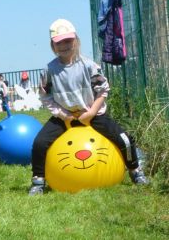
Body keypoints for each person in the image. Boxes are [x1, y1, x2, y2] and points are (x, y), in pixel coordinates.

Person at [29, 19, 149, 195]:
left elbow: (103, 90)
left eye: (68, 41)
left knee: (124, 139)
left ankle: (135, 171)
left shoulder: (89, 65)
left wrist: (92, 112)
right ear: (53, 46)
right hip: (64, 117)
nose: (64, 46)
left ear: (76, 41)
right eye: (59, 43)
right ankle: (38, 181)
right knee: (39, 143)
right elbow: (45, 96)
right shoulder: (49, 70)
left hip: (93, 115)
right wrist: (63, 115)